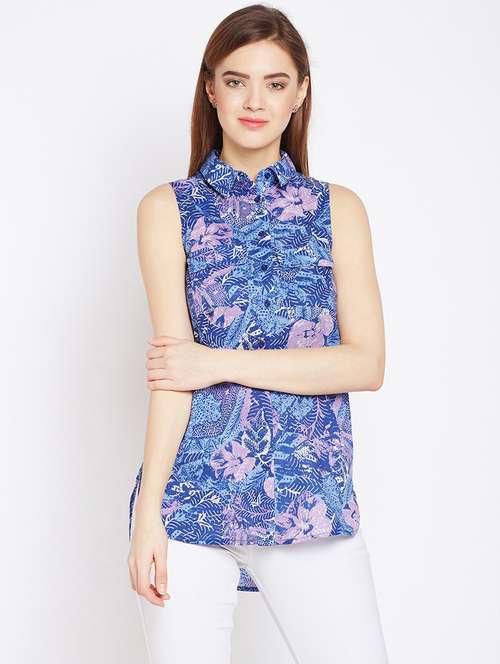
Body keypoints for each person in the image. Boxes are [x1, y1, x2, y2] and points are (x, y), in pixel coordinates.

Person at [127, 4, 388, 663]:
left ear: (300, 93)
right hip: (192, 502)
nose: (255, 101)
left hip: (312, 500)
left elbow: (365, 364)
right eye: (236, 80)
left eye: (275, 83)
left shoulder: (338, 210)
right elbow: (173, 376)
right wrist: (147, 515)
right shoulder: (167, 209)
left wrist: (218, 362)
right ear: (210, 89)